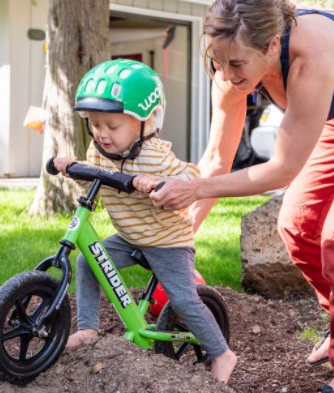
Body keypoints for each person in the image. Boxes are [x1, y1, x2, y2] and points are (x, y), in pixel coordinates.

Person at [136, 1, 334, 392]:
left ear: (271, 46)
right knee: (297, 224)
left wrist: (193, 188)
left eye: (236, 65)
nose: (227, 76)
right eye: (218, 62)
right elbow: (216, 159)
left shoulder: (311, 56)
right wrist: (180, 236)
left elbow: (282, 169)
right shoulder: (229, 68)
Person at [52, 58, 238, 384]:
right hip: (130, 237)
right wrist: (73, 167)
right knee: (86, 261)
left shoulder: (153, 155)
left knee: (181, 297)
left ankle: (222, 353)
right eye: (95, 124)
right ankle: (87, 328)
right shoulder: (98, 150)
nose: (102, 134)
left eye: (113, 126)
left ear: (145, 122)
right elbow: (96, 177)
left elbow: (190, 176)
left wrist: (154, 180)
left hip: (168, 241)